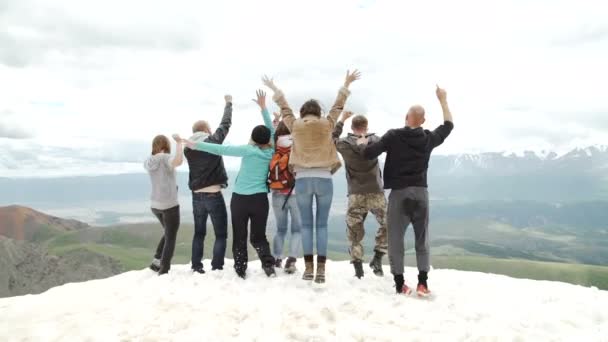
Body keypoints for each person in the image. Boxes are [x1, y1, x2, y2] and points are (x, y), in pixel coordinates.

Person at [263, 70, 361, 283]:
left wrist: (274, 89)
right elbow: (338, 106)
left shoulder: (295, 125)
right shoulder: (327, 124)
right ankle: (322, 271)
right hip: (324, 178)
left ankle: (308, 269)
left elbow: (284, 107)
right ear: (318, 112)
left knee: (306, 225)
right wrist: (346, 83)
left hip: (303, 180)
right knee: (322, 225)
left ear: (303, 112)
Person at [363, 85, 454, 296]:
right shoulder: (428, 138)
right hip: (421, 193)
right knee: (421, 239)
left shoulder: (393, 136)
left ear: (406, 117)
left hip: (399, 194)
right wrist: (443, 100)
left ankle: (399, 284)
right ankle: (423, 283)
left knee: (396, 240)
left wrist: (364, 141)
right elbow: (448, 125)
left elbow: (369, 154)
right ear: (423, 121)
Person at [183, 90, 276, 279]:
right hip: (260, 200)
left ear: (253, 137)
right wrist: (264, 109)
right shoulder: (270, 151)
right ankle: (268, 265)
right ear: (267, 139)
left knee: (240, 235)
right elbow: (270, 129)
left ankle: (240, 268)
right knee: (258, 236)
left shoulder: (247, 150)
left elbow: (221, 148)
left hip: (240, 200)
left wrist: (197, 145)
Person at [332, 110, 387, 279]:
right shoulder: (375, 141)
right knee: (388, 223)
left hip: (355, 193)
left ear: (352, 127)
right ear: (366, 126)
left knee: (354, 232)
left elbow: (332, 138)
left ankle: (358, 268)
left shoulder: (344, 144)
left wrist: (341, 119)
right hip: (376, 191)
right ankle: (377, 257)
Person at [184, 95, 232, 274]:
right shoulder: (212, 143)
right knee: (221, 234)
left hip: (197, 196)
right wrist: (228, 104)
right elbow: (225, 124)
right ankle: (217, 267)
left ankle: (196, 266)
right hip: (213, 194)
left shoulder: (188, 148)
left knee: (199, 233)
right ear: (205, 129)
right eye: (210, 128)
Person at [143, 134, 184, 275]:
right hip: (169, 205)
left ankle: (156, 262)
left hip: (155, 205)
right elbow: (178, 161)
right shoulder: (165, 157)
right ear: (167, 145)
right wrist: (179, 144)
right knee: (171, 237)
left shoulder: (148, 161)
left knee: (168, 233)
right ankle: (164, 269)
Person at [268, 117, 301, 274]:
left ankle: (277, 258)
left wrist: (275, 123)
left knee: (280, 229)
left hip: (277, 194)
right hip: (295, 194)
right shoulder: (297, 143)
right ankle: (292, 261)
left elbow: (273, 134)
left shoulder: (275, 146)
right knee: (297, 230)